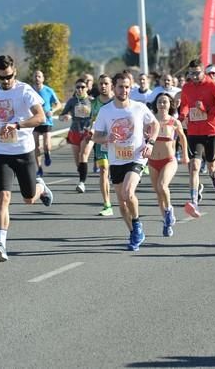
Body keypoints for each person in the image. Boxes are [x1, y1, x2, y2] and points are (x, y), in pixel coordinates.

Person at [0, 55, 53, 262]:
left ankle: (41, 188)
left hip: (24, 152)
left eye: (9, 76)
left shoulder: (25, 91)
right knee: (3, 197)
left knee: (28, 199)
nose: (6, 81)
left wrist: (18, 125)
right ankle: (0, 243)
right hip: (2, 153)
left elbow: (40, 117)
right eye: (2, 78)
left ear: (14, 71)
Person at [92, 71, 159, 251]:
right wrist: (107, 138)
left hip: (136, 157)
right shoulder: (105, 111)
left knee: (129, 193)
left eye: (127, 87)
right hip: (116, 160)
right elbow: (95, 136)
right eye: (121, 87)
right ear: (114, 88)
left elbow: (155, 125)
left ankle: (137, 224)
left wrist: (151, 143)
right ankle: (133, 233)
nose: (124, 90)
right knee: (121, 202)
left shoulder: (139, 107)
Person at [179, 59, 215, 217]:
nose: (194, 76)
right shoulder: (186, 87)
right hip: (193, 132)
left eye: (197, 73)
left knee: (210, 166)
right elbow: (185, 104)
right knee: (194, 166)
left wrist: (207, 109)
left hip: (210, 131)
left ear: (204, 72)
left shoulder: (212, 84)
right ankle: (194, 200)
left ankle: (214, 174)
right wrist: (182, 115)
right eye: (191, 73)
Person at [149, 93, 189, 236]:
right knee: (158, 194)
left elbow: (183, 138)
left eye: (165, 102)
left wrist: (185, 154)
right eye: (159, 102)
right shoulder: (151, 120)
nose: (162, 104)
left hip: (169, 160)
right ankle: (166, 222)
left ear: (170, 104)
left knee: (162, 186)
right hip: (152, 161)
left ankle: (169, 209)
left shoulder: (174, 121)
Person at [60, 78, 94, 193]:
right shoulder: (72, 101)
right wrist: (65, 117)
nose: (80, 89)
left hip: (87, 132)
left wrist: (92, 127)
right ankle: (82, 175)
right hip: (74, 131)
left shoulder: (92, 101)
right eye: (78, 87)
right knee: (77, 161)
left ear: (87, 88)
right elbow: (62, 115)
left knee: (83, 155)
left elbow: (98, 116)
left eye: (82, 87)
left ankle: (81, 183)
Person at [87, 74, 114, 216]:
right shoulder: (94, 103)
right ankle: (107, 204)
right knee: (104, 170)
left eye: (106, 83)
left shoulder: (118, 101)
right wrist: (90, 131)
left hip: (119, 143)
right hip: (102, 141)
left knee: (117, 174)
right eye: (101, 84)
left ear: (112, 86)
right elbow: (92, 122)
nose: (103, 86)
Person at [30, 70, 61, 176]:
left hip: (46, 120)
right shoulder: (29, 91)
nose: (37, 78)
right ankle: (39, 167)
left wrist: (52, 111)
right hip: (34, 120)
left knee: (46, 144)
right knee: (36, 146)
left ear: (42, 78)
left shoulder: (48, 90)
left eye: (39, 76)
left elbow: (58, 104)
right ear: (33, 78)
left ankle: (47, 153)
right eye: (35, 76)